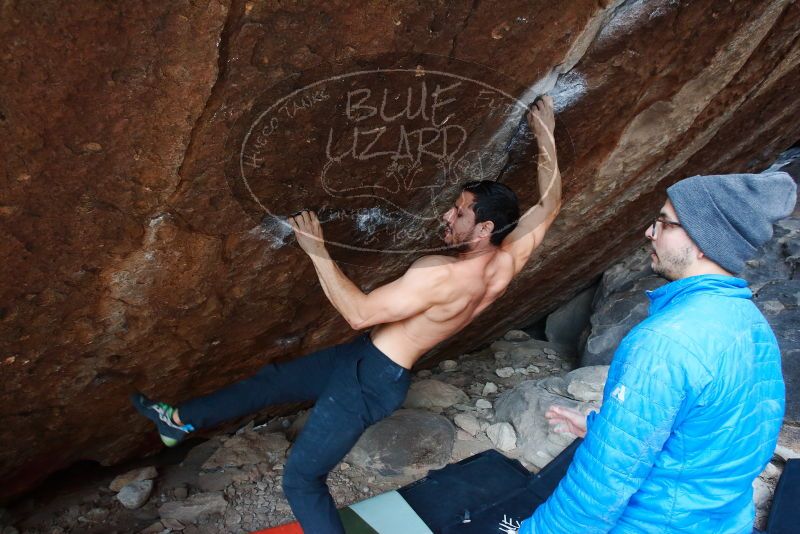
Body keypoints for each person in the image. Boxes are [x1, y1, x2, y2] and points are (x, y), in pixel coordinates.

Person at [131, 96, 563, 534]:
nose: (447, 216)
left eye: (459, 212)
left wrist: (317, 253)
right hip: (363, 361)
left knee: (301, 480)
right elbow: (550, 205)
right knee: (274, 379)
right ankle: (179, 419)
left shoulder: (442, 274)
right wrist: (544, 133)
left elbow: (359, 313)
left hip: (370, 380)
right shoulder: (506, 261)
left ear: (486, 228)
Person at [520, 171, 797, 533]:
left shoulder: (666, 341)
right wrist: (603, 429)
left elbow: (601, 484)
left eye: (664, 223)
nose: (650, 233)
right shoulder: (755, 328)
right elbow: (714, 439)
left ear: (702, 240)